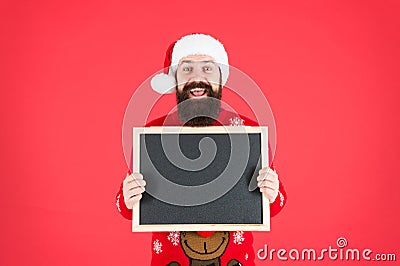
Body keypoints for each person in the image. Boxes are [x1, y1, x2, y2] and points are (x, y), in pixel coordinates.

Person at [116, 33, 287, 266]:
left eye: (207, 68)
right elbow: (129, 209)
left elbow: (274, 205)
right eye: (187, 69)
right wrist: (127, 197)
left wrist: (273, 190)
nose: (197, 78)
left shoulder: (248, 133)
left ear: (220, 77)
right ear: (175, 79)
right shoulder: (152, 134)